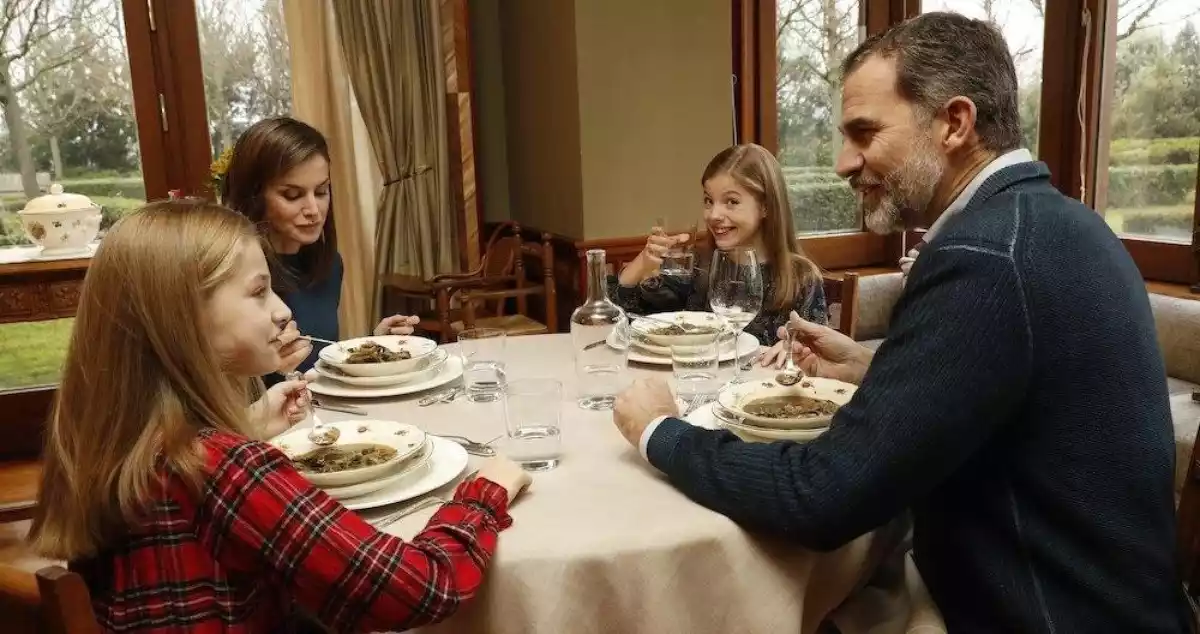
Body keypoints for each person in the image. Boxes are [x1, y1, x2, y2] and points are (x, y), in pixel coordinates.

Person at [610, 12, 1188, 632]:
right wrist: (876, 366)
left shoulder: (981, 257)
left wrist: (661, 432)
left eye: (864, 133)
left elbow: (823, 498)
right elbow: (1013, 396)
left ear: (955, 124)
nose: (841, 162)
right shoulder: (1062, 223)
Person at [27, 200, 532, 633]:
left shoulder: (112, 441)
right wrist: (485, 492)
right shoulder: (223, 469)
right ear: (180, 320)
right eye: (258, 292)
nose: (283, 311)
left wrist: (244, 428)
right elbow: (419, 587)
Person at [221, 117, 419, 377]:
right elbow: (214, 393)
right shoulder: (230, 274)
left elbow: (316, 362)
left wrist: (373, 346)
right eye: (292, 195)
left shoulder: (329, 265)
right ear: (253, 195)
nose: (314, 210)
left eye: (322, 191)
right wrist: (267, 369)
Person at [608, 143, 828, 349]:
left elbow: (815, 357)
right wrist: (643, 262)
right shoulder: (697, 266)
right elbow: (627, 320)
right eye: (708, 201)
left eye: (731, 202)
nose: (713, 215)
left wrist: (794, 352)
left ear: (765, 207)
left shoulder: (802, 278)